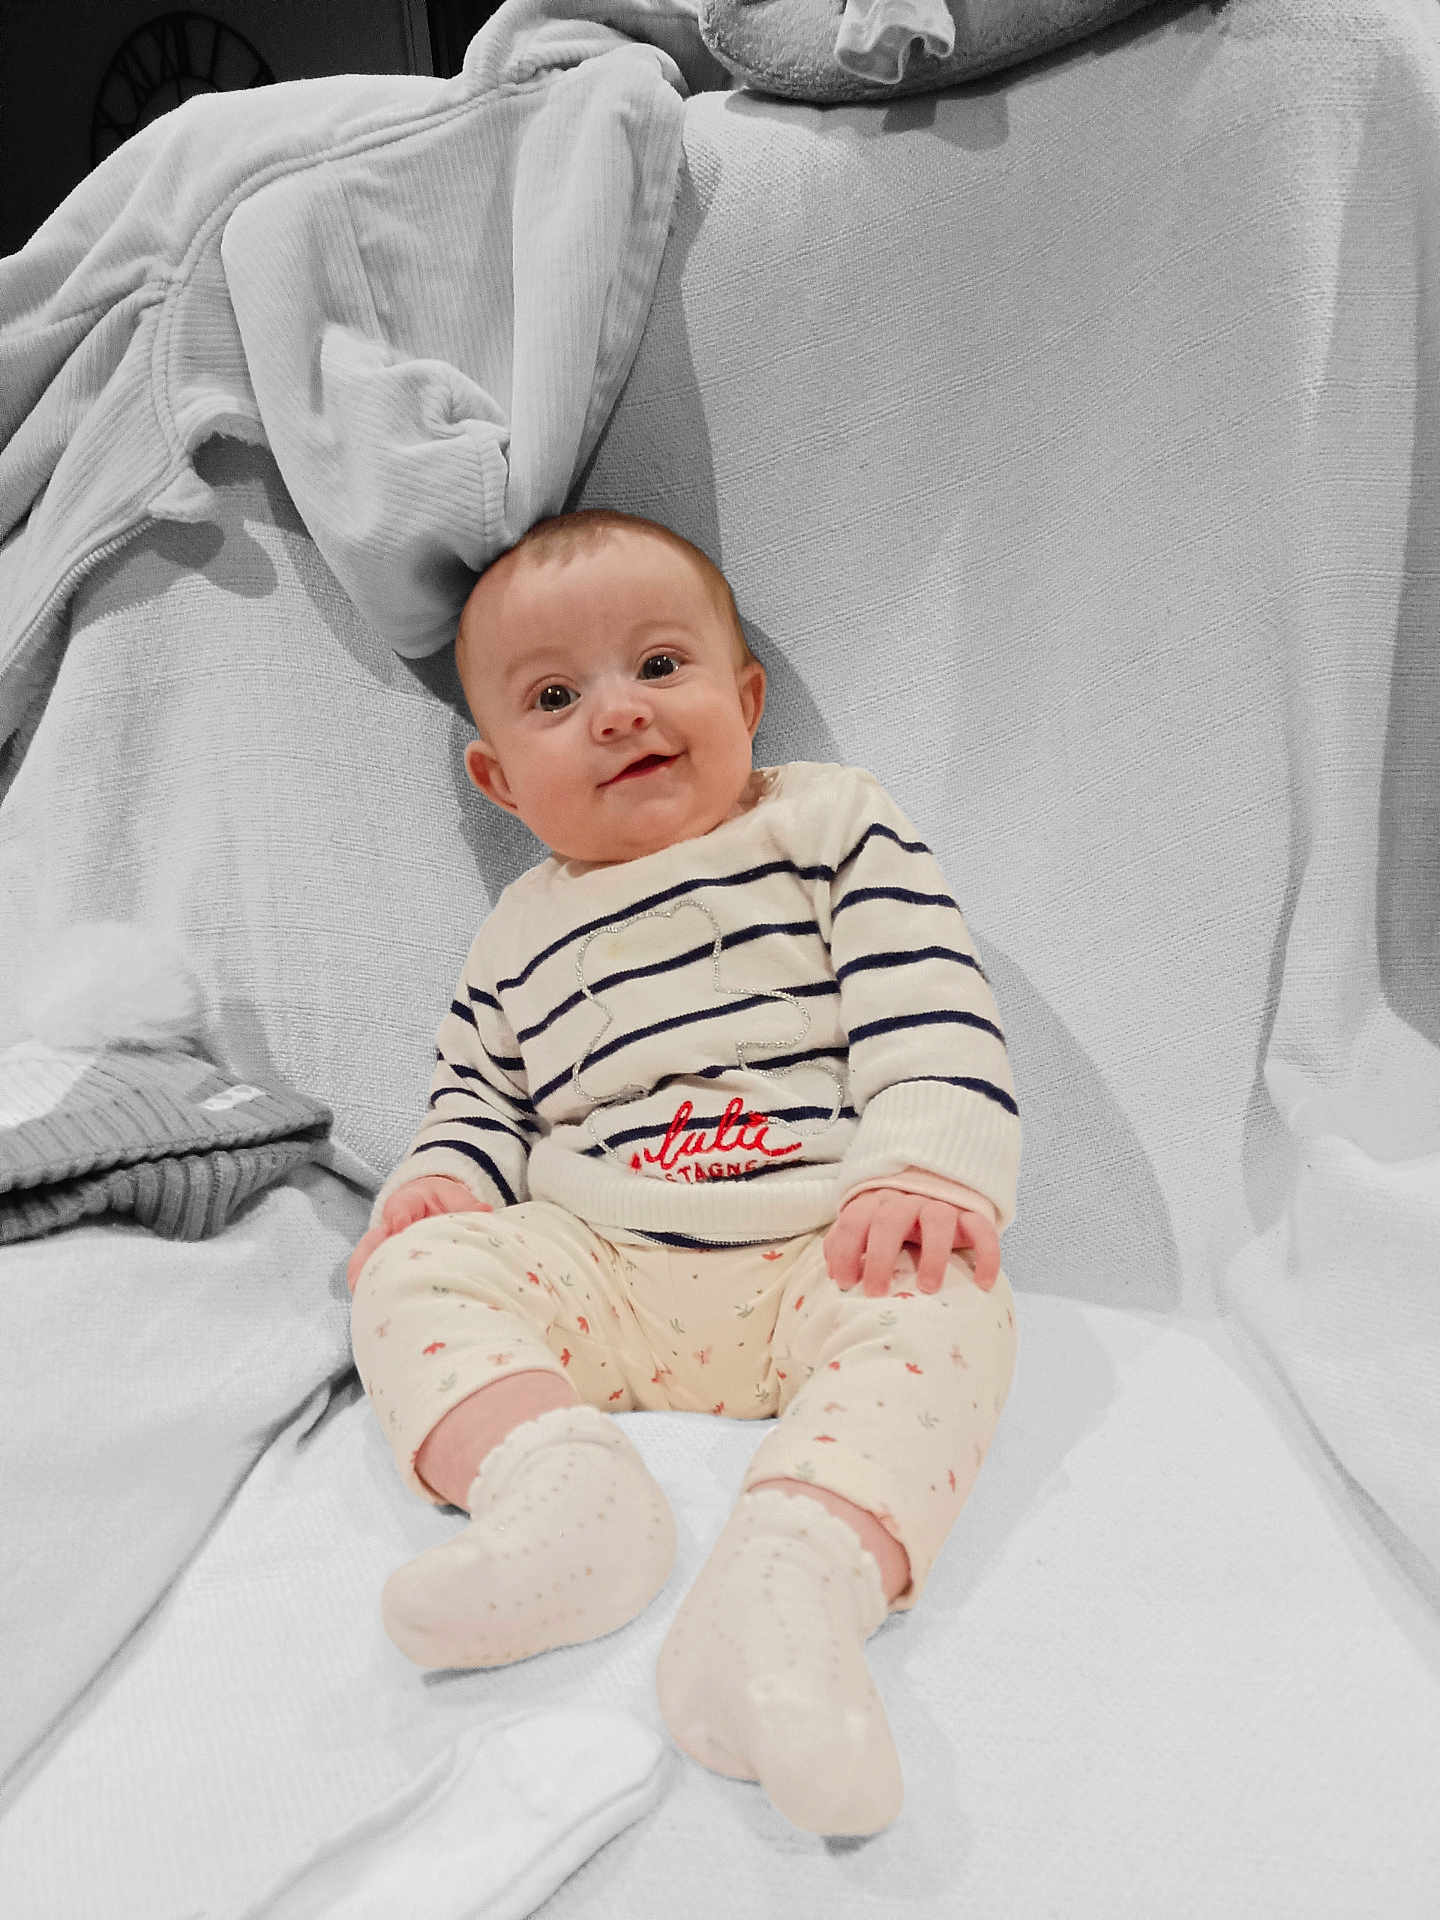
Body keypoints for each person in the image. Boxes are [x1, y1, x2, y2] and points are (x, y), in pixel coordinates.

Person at [346, 507, 1020, 1837]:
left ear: (747, 697)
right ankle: (563, 1500)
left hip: (819, 1249)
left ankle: (790, 1591)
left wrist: (927, 1171)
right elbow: (477, 1096)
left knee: (951, 1302)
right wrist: (444, 1182)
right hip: (605, 1270)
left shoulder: (826, 827)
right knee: (407, 1268)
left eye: (661, 667)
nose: (618, 714)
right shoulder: (516, 934)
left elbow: (928, 1002)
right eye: (556, 696)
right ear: (498, 780)